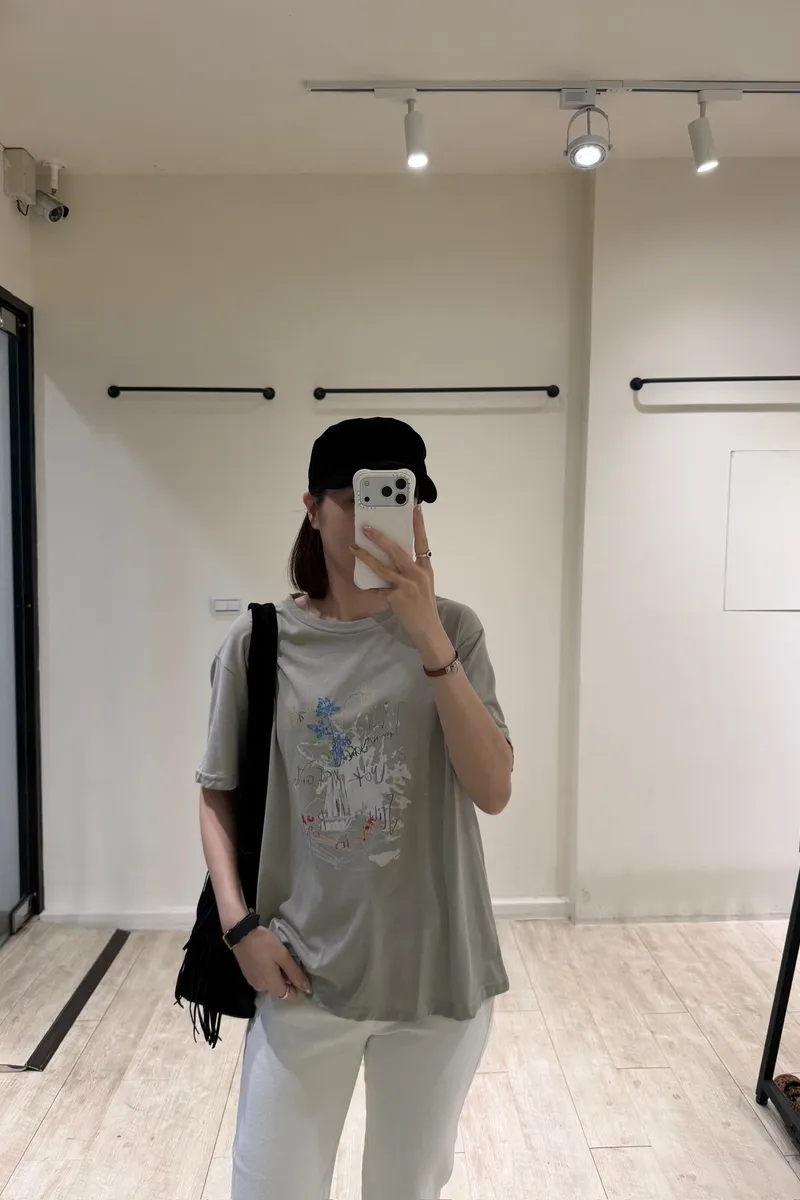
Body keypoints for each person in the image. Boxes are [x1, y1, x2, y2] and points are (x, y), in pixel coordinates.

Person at [196, 416, 513, 1200]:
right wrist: (239, 928)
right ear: (313, 508)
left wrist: (427, 636)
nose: (385, 520)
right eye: (358, 499)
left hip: (437, 979)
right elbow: (217, 792)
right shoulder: (260, 641)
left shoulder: (455, 631)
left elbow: (493, 789)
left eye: (404, 500)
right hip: (301, 974)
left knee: (405, 1189)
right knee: (269, 1187)